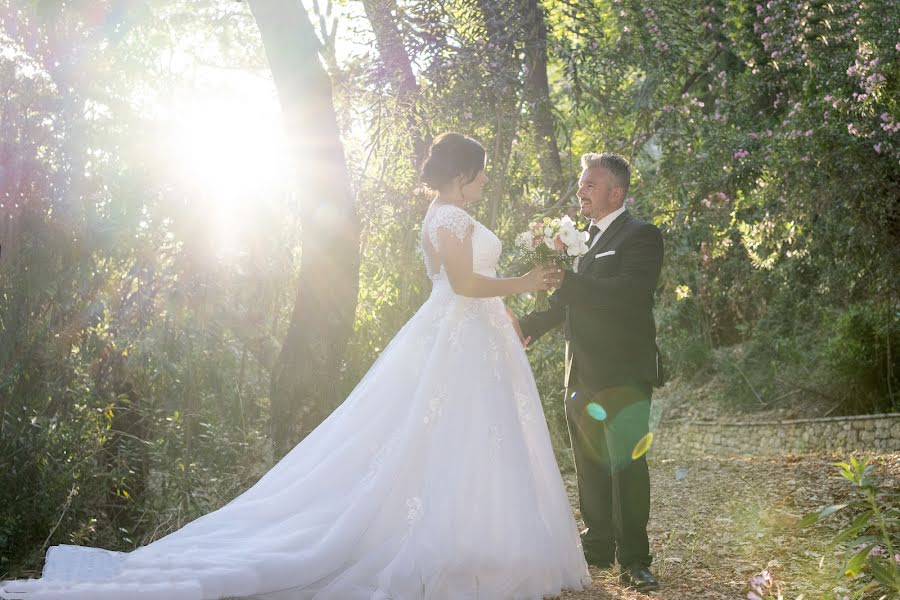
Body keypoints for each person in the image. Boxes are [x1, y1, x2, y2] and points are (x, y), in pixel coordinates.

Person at [0, 133, 591, 600]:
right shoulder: (451, 218)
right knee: (443, 439)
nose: (486, 178)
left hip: (466, 335)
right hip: (457, 334)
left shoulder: (442, 215)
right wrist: (527, 281)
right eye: (482, 169)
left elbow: (462, 286)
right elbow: (463, 283)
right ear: (463, 172)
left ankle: (472, 541)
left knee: (458, 440)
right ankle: (449, 546)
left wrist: (510, 308)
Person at [512, 152, 664, 593]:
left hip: (624, 372)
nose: (581, 192)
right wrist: (525, 327)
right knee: (590, 463)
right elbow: (565, 304)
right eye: (580, 185)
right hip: (578, 373)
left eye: (590, 185)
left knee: (628, 465)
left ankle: (635, 559)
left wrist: (567, 280)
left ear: (615, 192)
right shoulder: (581, 241)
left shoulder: (642, 236)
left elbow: (627, 294)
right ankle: (598, 544)